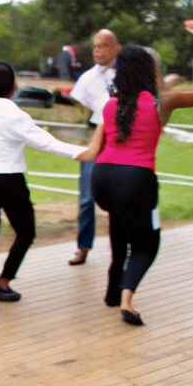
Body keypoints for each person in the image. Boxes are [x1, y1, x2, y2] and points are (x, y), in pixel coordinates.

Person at [80, 45, 193, 325]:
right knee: (146, 245)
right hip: (136, 180)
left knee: (119, 222)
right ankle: (127, 300)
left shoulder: (111, 104)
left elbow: (100, 143)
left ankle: (113, 291)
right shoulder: (162, 101)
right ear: (149, 71)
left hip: (102, 178)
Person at [0, 61, 93, 301]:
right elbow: (44, 141)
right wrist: (80, 152)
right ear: (14, 86)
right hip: (9, 181)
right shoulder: (15, 116)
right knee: (26, 232)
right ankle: (3, 282)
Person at [67, 29, 120, 266]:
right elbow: (81, 111)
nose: (98, 50)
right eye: (96, 46)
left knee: (119, 197)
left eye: (104, 46)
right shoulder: (87, 79)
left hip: (119, 141)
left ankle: (120, 246)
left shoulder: (126, 75)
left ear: (116, 47)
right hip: (95, 139)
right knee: (87, 197)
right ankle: (83, 246)